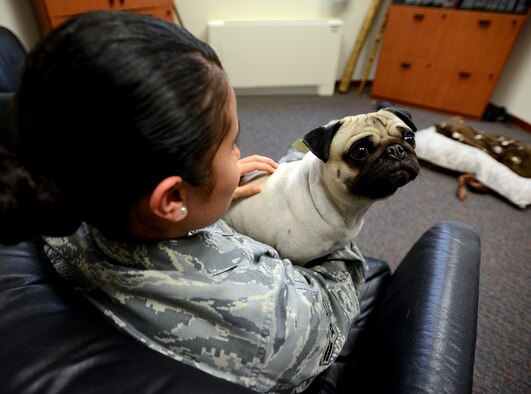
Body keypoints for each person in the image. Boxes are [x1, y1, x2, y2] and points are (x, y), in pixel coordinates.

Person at [0, 11, 366, 393]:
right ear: (171, 198)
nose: (238, 154)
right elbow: (331, 313)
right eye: (232, 144)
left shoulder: (60, 190)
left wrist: (208, 198)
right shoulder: (274, 322)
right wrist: (329, 205)